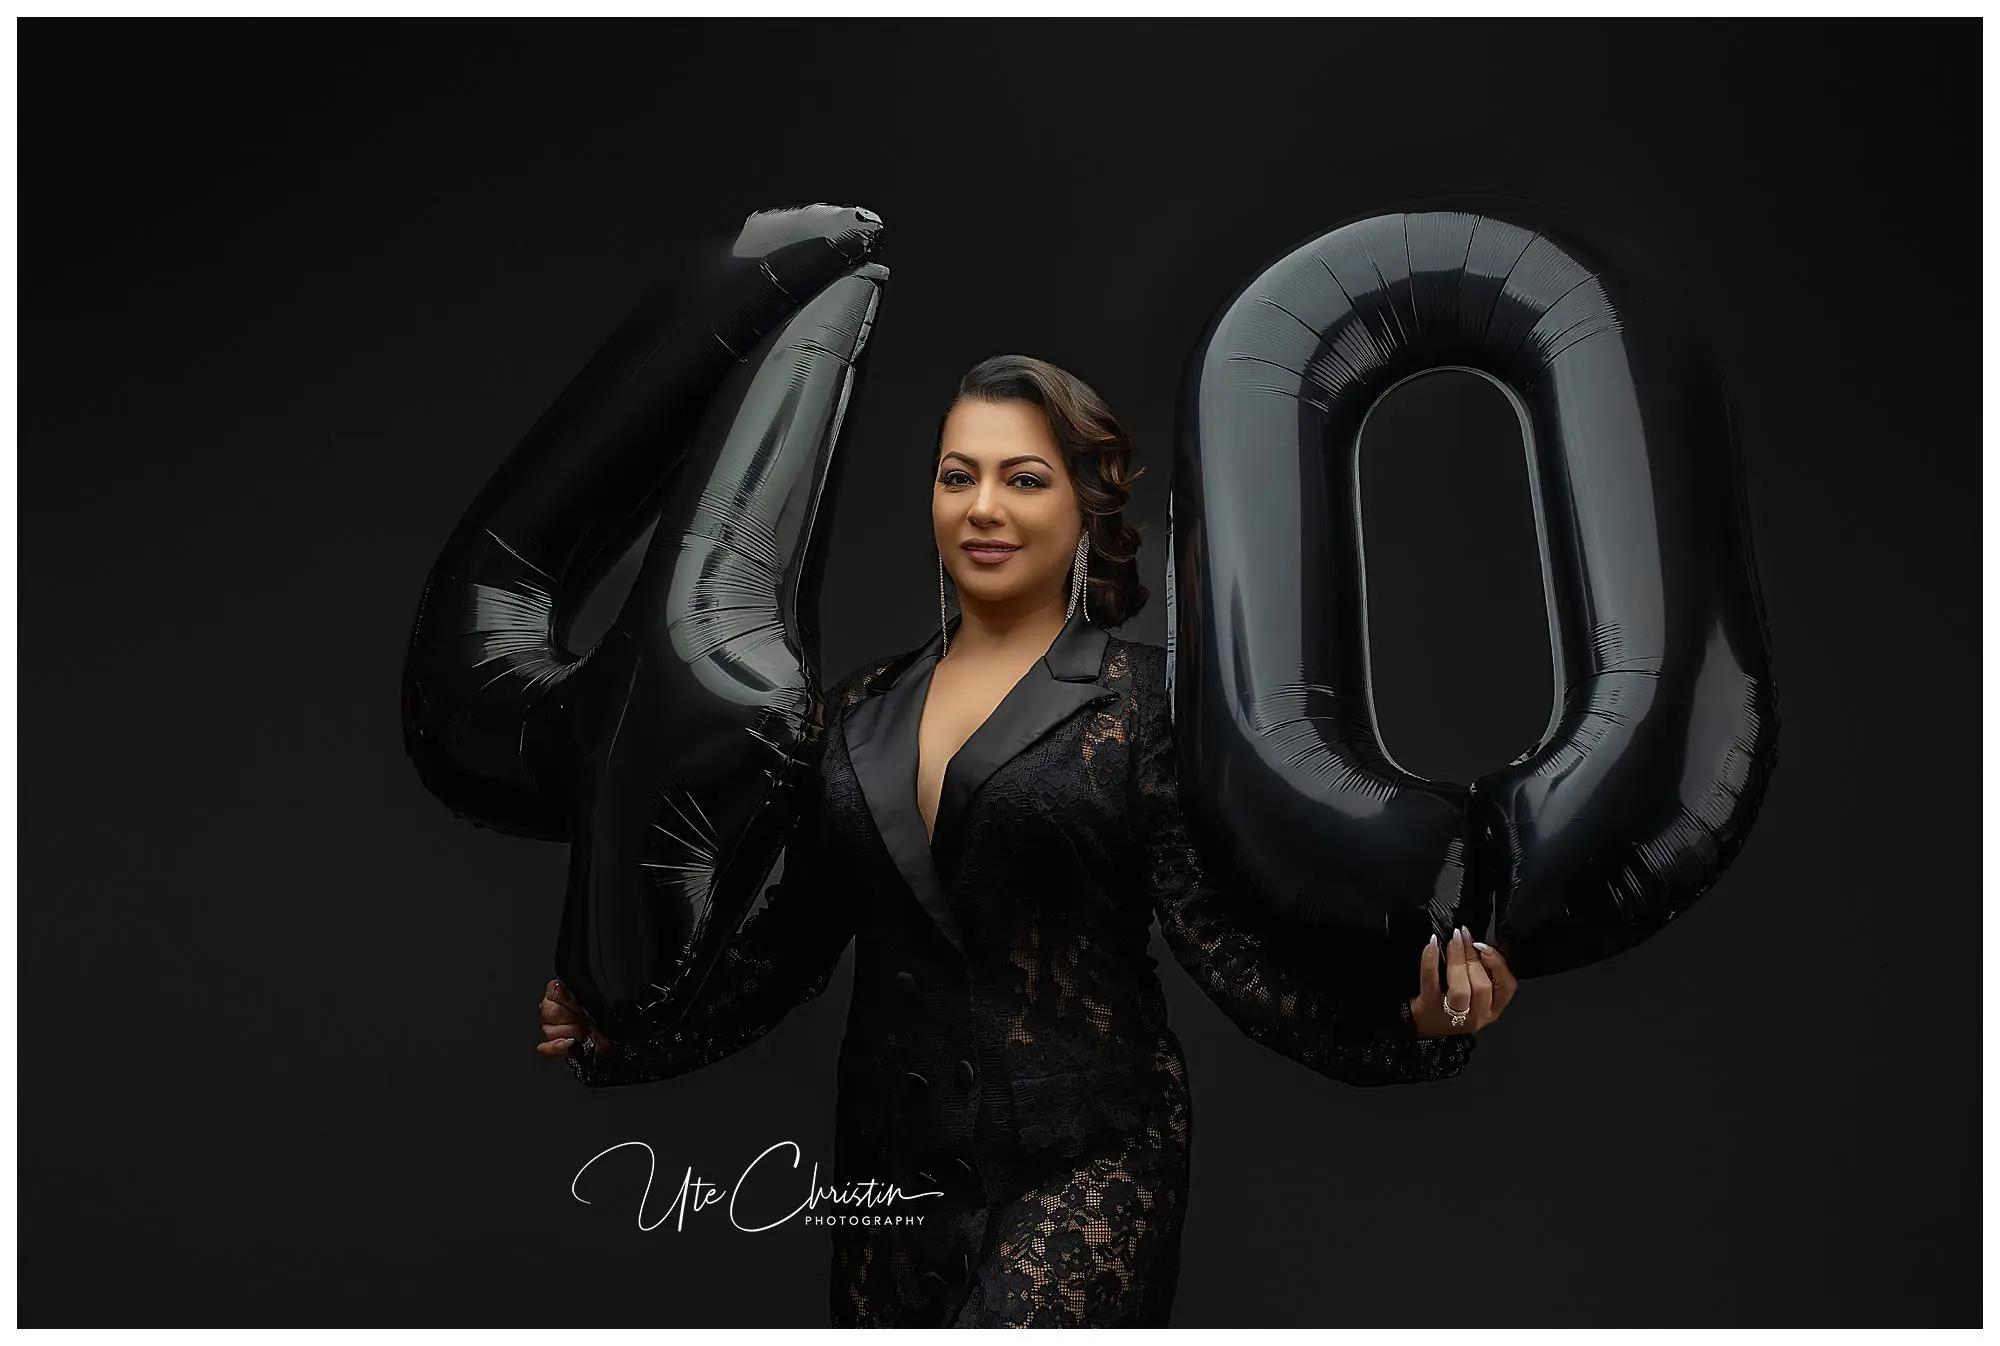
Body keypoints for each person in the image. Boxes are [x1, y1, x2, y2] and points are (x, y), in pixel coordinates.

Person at [537, 354, 1519, 1327]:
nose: (982, 507)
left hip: (1089, 1161)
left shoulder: (1142, 706)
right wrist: (620, 1035)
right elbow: (781, 949)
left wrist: (1412, 1028)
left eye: (1022, 477)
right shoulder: (851, 714)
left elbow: (1225, 953)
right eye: (957, 474)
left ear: (1088, 506)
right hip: (894, 1182)